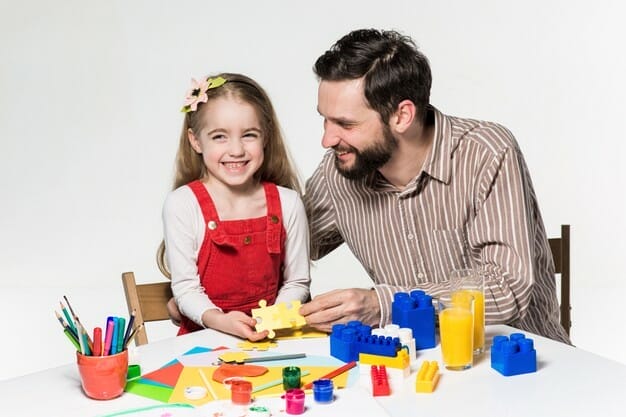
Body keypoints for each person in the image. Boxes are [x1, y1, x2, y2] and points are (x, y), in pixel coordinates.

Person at [298, 28, 570, 344]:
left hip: (522, 361)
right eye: (325, 120)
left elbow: (507, 288)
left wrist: (383, 304)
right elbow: (280, 245)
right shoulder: (339, 170)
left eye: (346, 124)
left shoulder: (486, 152)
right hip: (418, 366)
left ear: (402, 116)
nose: (327, 139)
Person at [159, 72, 310, 341]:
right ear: (195, 141)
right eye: (219, 137)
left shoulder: (288, 203)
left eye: (249, 135)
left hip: (273, 339)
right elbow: (185, 289)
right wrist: (220, 320)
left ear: (265, 137)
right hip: (204, 343)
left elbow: (297, 282)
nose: (237, 150)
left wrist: (271, 319)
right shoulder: (182, 204)